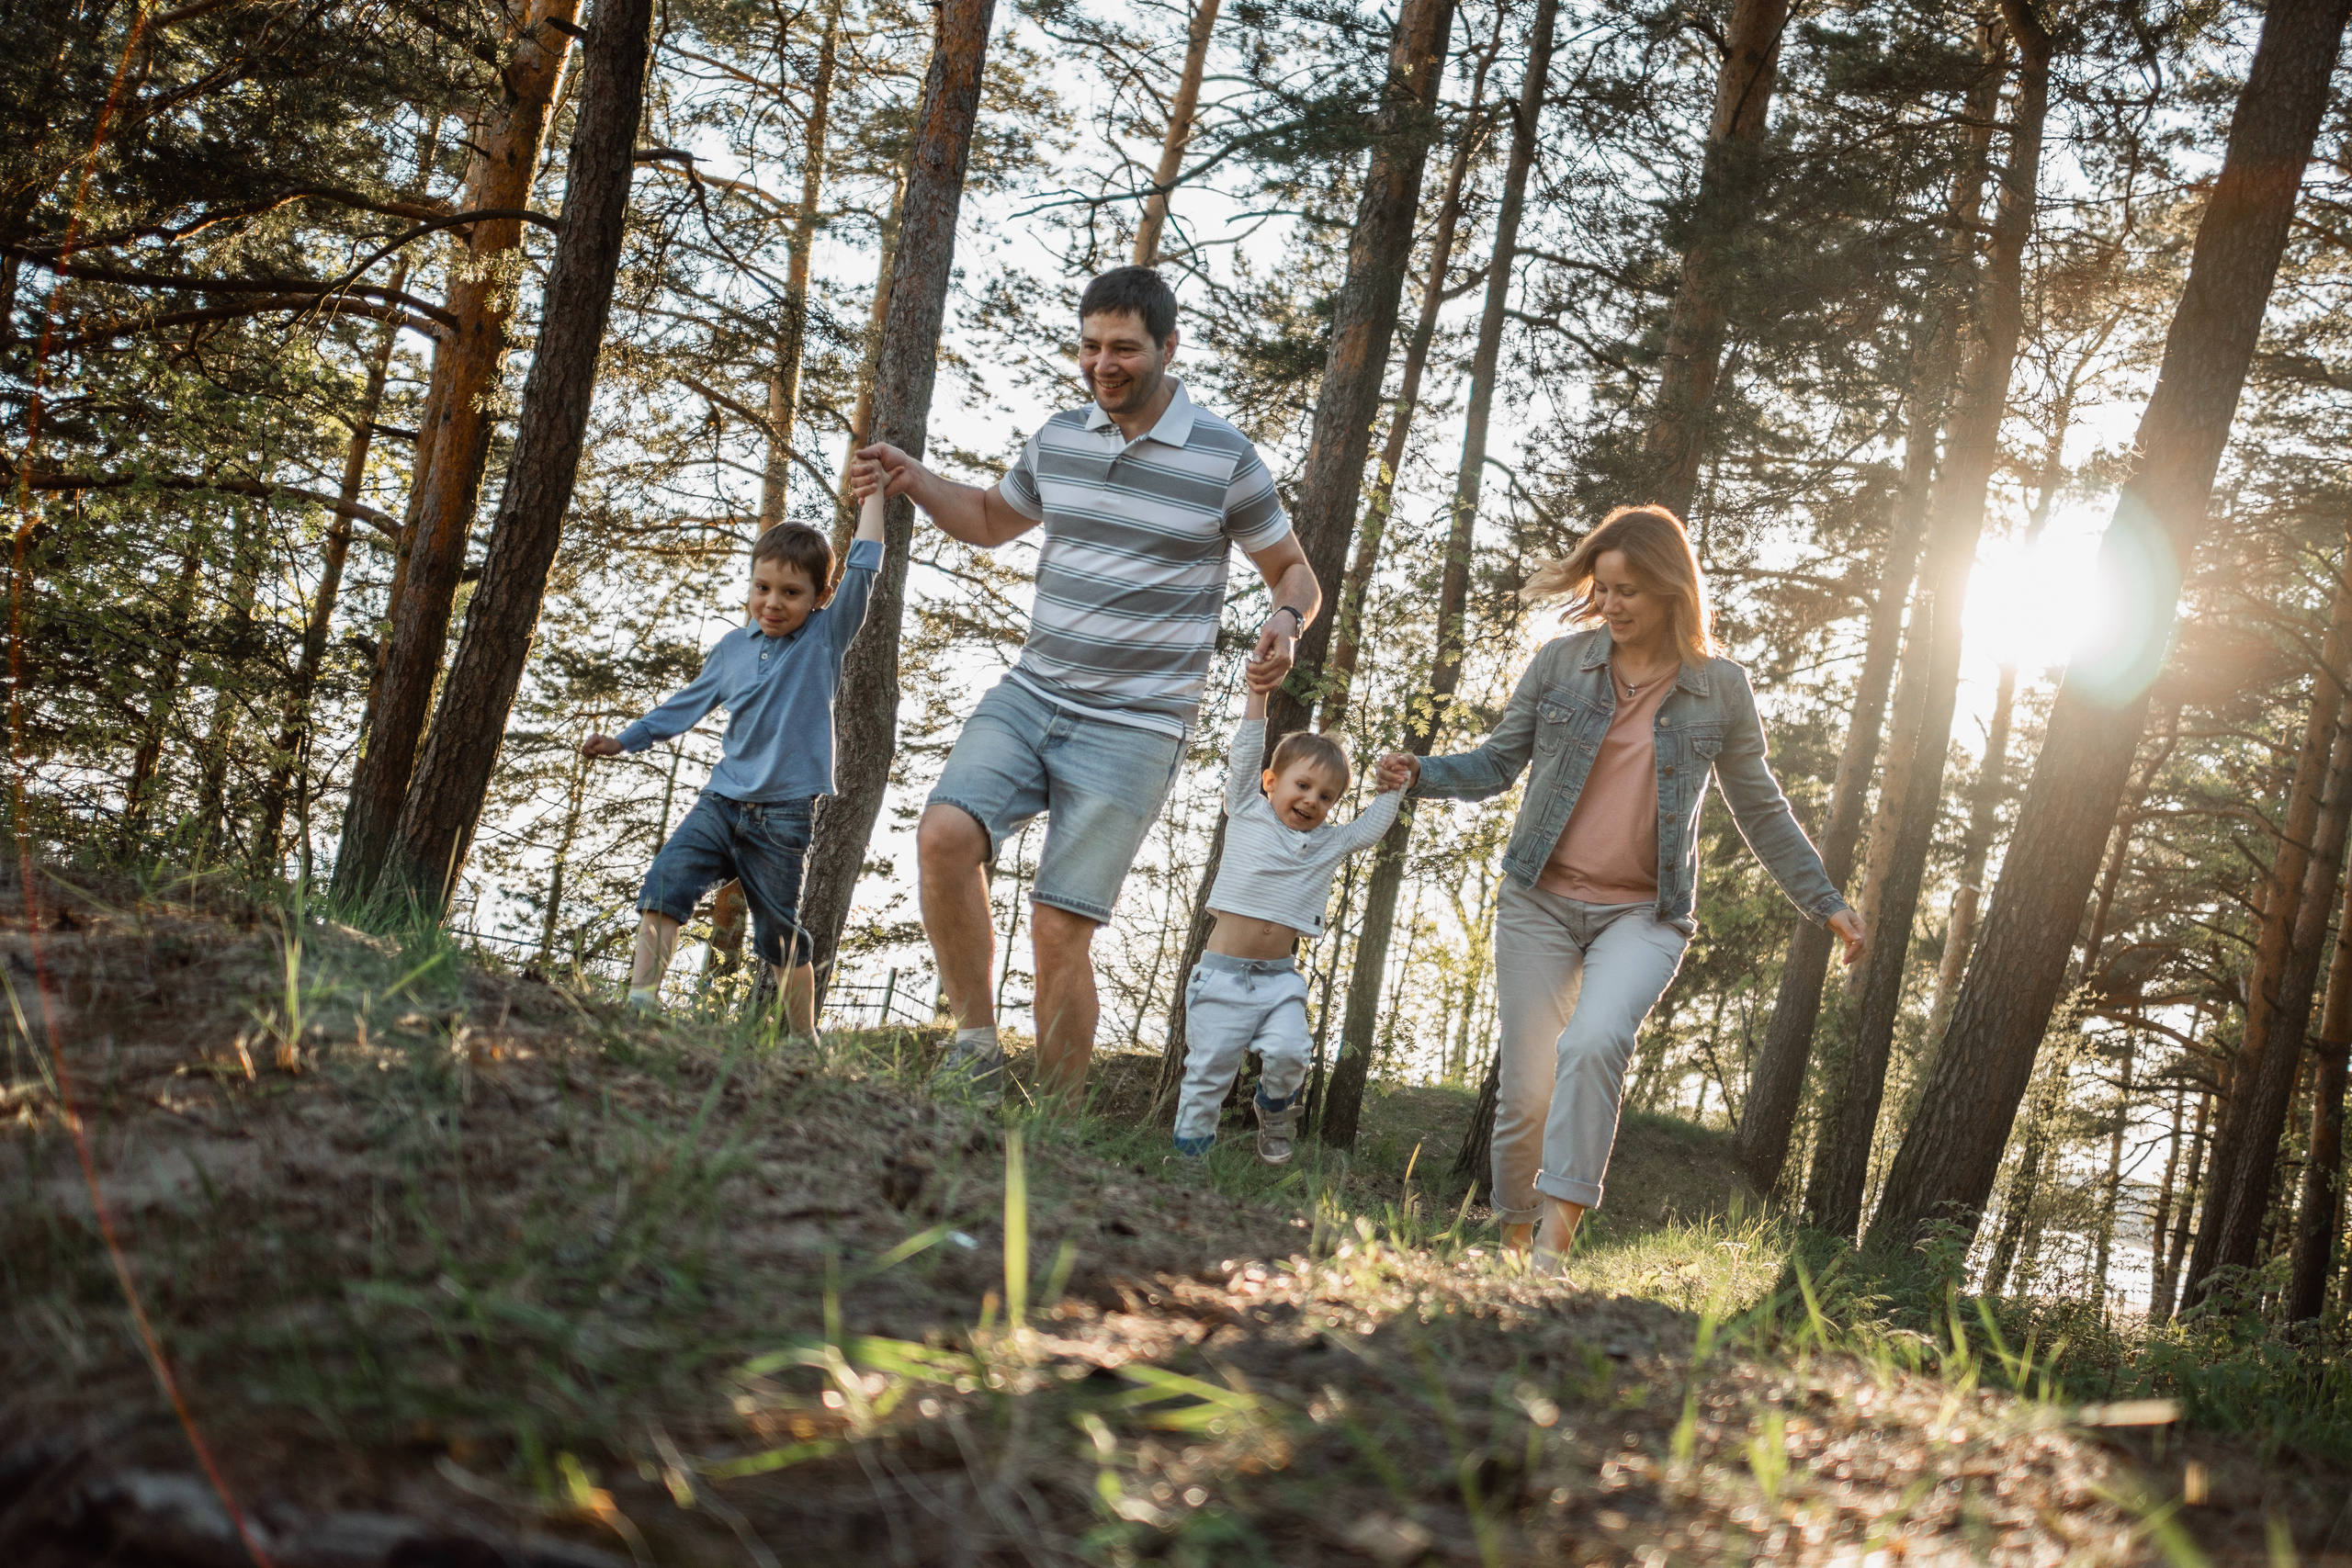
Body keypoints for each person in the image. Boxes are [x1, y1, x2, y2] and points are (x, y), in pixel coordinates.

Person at [853, 265, 1318, 1105]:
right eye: (1091, 346)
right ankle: (975, 1047)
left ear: (1169, 349)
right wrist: (914, 477)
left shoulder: (1224, 457)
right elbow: (993, 521)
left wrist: (1285, 621)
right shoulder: (1059, 439)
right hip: (1032, 694)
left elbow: (1293, 572)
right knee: (945, 836)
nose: (1104, 364)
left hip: (1137, 726)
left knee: (1059, 925)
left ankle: (1056, 1133)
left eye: (1125, 349)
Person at [1375, 505, 1866, 1273]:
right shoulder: (1560, 665)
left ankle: (1552, 1257)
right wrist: (1421, 773)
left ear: (1673, 590)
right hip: (1537, 898)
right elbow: (1498, 763)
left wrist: (1825, 900)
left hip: (1645, 913)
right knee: (1527, 1091)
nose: (1612, 606)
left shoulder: (1720, 690)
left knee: (1597, 1041)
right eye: (1602, 589)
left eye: (1629, 590)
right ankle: (1511, 1241)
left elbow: (1761, 807)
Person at [581, 488, 888, 1031]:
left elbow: (864, 565)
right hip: (721, 802)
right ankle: (640, 1006)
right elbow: (685, 706)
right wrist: (626, 740)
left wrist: (874, 497)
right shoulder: (732, 650)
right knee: (666, 881)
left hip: (784, 814)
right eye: (762, 587)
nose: (772, 602)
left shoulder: (825, 637)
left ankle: (802, 1038)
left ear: (820, 597)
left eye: (791, 592)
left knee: (778, 932)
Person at [1174, 675, 1401, 1162]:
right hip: (1220, 977)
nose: (1312, 802)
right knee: (1208, 1074)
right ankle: (1188, 1164)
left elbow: (1369, 830)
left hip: (1279, 981)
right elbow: (1244, 755)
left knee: (1292, 1053)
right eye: (1303, 785)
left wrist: (1393, 789)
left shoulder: (1328, 842)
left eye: (1326, 797)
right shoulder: (1247, 810)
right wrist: (1257, 697)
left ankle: (1274, 1108)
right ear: (1271, 782)